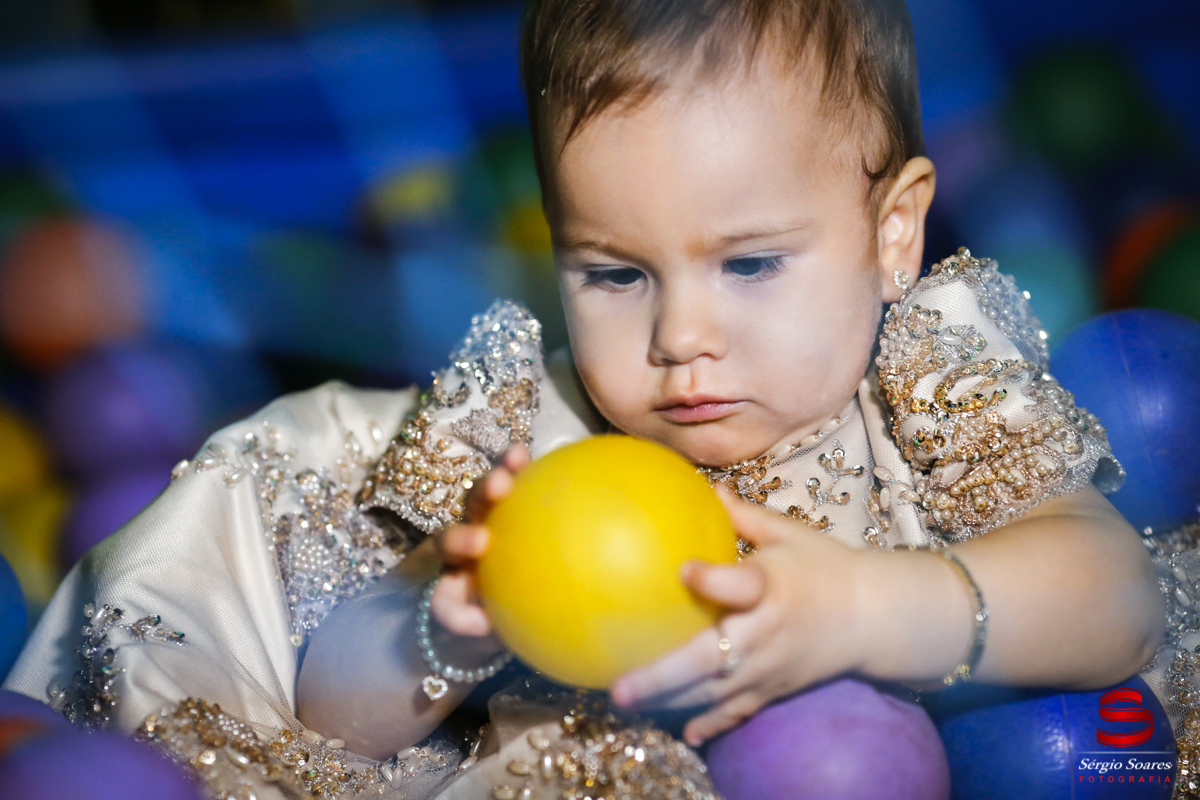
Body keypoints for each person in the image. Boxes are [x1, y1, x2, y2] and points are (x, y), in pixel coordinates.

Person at [3, 0, 1176, 798]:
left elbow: (1114, 592)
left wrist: (875, 605)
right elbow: (329, 721)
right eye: (615, 273)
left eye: (751, 263)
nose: (679, 338)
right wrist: (442, 627)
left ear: (892, 235)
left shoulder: (929, 381)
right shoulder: (526, 447)